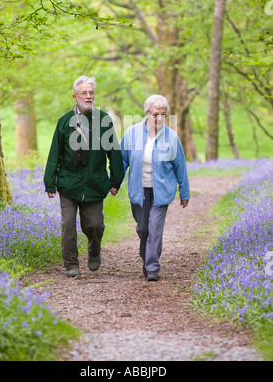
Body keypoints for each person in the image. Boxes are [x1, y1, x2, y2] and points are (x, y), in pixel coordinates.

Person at [44, 76, 124, 278]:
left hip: (95, 184)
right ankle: (71, 263)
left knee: (94, 225)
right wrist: (50, 183)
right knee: (68, 226)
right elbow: (55, 153)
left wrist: (116, 180)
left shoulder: (104, 120)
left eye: (91, 93)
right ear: (75, 96)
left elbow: (113, 152)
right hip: (68, 183)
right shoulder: (64, 122)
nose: (88, 96)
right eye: (84, 93)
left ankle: (94, 250)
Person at [120, 94, 190, 282]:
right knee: (143, 229)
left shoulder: (171, 137)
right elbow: (122, 161)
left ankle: (152, 267)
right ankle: (148, 259)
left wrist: (184, 193)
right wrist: (114, 183)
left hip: (161, 191)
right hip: (139, 189)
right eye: (155, 114)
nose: (159, 118)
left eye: (163, 114)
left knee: (154, 228)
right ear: (147, 113)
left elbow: (180, 167)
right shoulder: (132, 133)